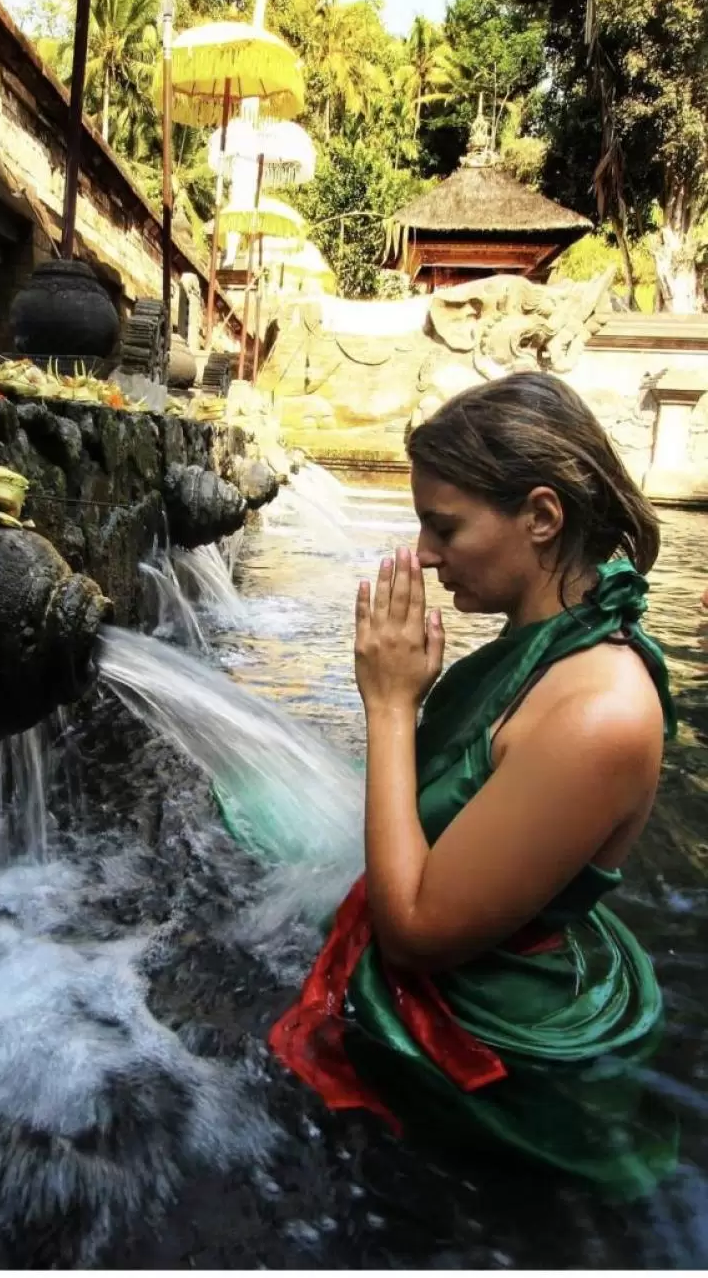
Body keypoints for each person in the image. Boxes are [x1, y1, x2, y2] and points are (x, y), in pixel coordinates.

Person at [270, 371, 678, 1200]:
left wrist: (389, 707)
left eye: (442, 526)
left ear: (540, 516)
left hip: (499, 1064)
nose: (422, 552)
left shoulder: (598, 711)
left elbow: (416, 932)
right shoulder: (543, 645)